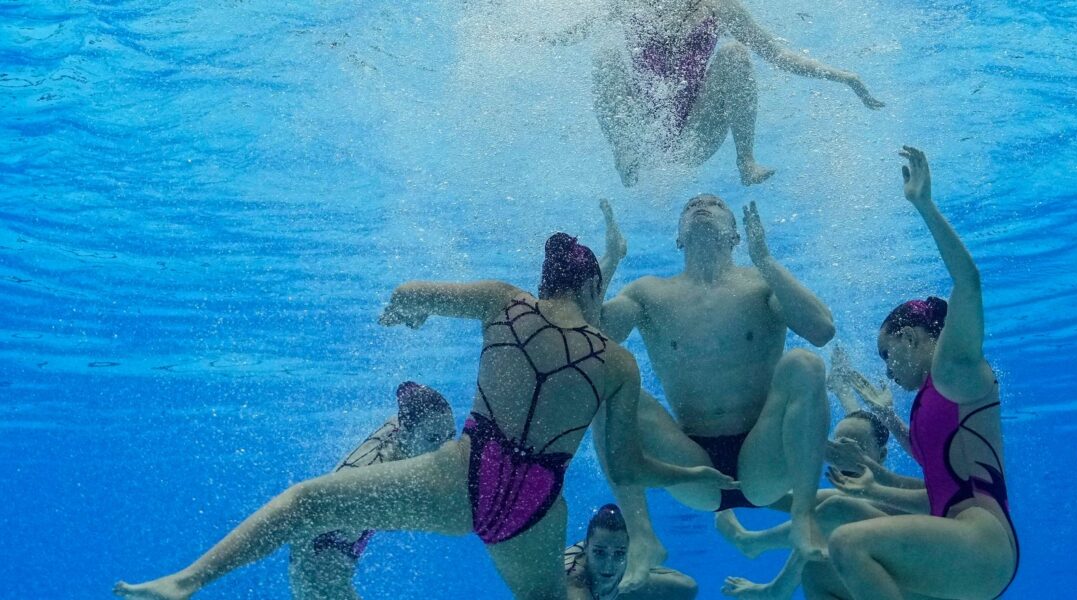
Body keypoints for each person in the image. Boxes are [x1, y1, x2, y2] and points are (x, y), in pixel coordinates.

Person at [114, 230, 734, 600]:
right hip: (536, 504)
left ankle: (187, 582)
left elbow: (410, 292)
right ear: (595, 291)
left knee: (309, 503)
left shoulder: (504, 303)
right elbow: (625, 464)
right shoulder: (617, 363)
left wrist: (405, 314)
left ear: (545, 281)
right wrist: (690, 476)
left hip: (464, 474)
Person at [596, 193, 834, 590]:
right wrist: (611, 258)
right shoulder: (648, 293)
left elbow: (821, 330)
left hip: (765, 459)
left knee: (805, 364)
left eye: (715, 204)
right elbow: (584, 340)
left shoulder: (761, 285)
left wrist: (767, 261)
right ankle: (641, 537)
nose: (701, 206)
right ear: (678, 238)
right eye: (689, 205)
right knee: (603, 379)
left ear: (736, 235)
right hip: (692, 467)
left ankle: (803, 515)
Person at [825, 146, 1019, 600]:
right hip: (968, 550)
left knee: (848, 544)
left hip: (979, 543)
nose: (887, 370)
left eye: (887, 354)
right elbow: (939, 472)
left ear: (912, 338)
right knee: (827, 574)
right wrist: (888, 419)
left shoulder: (954, 368)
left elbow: (968, 281)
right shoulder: (934, 394)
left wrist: (924, 205)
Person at [557, 0, 882, 186]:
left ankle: (746, 161)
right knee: (604, 55)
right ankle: (624, 152)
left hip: (699, 132)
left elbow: (776, 54)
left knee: (736, 54)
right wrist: (514, 41)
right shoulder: (629, 4)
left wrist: (844, 77)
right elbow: (571, 34)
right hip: (642, 129)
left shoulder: (719, 6)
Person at [716, 347, 918, 599]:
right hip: (871, 573)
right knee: (815, 558)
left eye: (854, 451)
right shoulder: (860, 471)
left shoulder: (893, 496)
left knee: (834, 510)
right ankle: (750, 536)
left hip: (916, 585)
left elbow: (860, 441)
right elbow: (855, 433)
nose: (845, 458)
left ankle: (757, 551)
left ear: (883, 456)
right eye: (838, 449)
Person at [290, 381, 456, 600]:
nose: (445, 449)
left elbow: (405, 390)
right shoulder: (375, 485)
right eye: (433, 439)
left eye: (451, 437)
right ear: (405, 434)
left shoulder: (403, 429)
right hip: (319, 574)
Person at [565, 504, 699, 600]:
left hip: (617, 585)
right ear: (586, 550)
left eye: (619, 553)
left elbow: (688, 589)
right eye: (599, 553)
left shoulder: (626, 569)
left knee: (685, 589)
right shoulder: (574, 584)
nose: (608, 565)